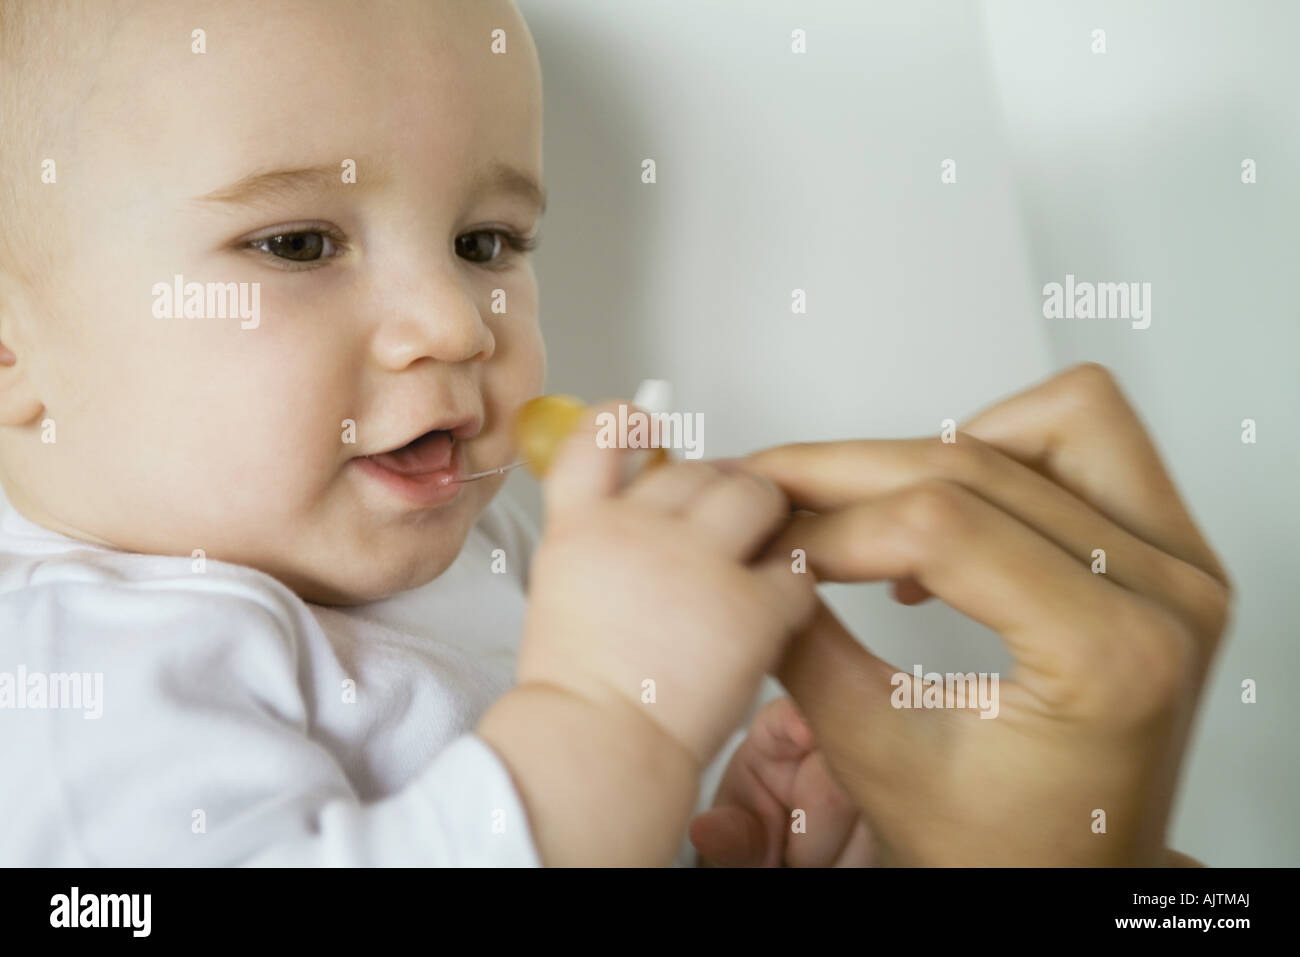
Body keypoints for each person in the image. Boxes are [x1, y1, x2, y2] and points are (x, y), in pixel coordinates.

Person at [0, 0, 1227, 866]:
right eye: (297, 244)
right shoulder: (78, 667)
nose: (454, 326)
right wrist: (613, 727)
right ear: (12, 352)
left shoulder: (497, 551)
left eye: (487, 244)